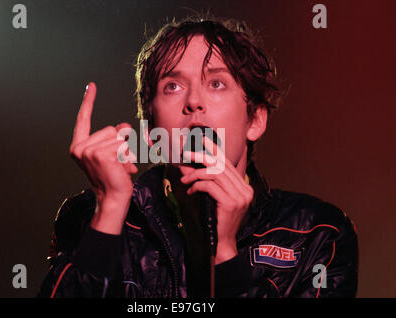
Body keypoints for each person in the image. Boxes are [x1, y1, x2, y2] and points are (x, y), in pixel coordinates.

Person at [38, 16, 358, 298]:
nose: (194, 102)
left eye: (216, 83)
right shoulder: (88, 217)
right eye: (173, 86)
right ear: (151, 132)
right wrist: (109, 211)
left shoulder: (317, 234)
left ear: (255, 119)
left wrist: (228, 257)